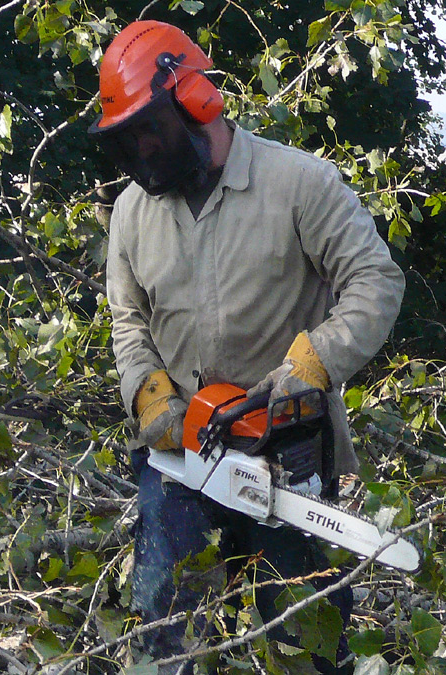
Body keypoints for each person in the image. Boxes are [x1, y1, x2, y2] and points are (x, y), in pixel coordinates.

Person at [89, 19, 405, 674]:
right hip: (183, 457)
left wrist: (315, 361)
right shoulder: (131, 213)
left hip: (286, 450)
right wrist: (149, 394)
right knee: (165, 633)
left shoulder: (299, 183)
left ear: (196, 100)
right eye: (129, 138)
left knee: (305, 642)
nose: (144, 149)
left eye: (151, 128)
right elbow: (128, 321)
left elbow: (375, 278)